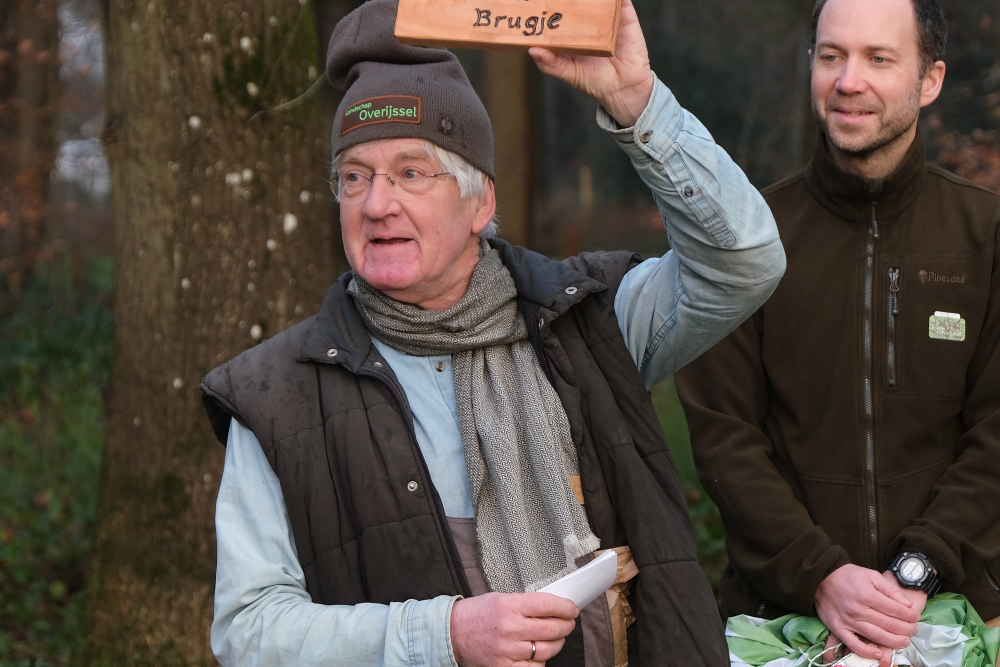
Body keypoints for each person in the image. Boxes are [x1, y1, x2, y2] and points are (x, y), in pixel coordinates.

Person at [199, 0, 785, 665]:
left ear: (481, 201)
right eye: (355, 177)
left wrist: (639, 105)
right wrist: (442, 635)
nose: (376, 203)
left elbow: (743, 261)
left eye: (411, 172)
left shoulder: (588, 324)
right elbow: (247, 630)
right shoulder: (276, 394)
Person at [674, 0, 1000, 666]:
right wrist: (822, 575)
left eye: (879, 58)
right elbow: (724, 435)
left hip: (955, 618)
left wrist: (919, 569)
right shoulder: (747, 239)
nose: (849, 80)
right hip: (781, 624)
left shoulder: (985, 234)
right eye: (831, 56)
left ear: (929, 80)